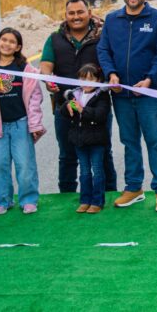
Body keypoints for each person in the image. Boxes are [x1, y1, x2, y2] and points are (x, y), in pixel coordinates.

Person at [97, 0, 157, 212]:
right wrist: (111, 73)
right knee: (129, 142)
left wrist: (150, 79)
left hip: (150, 95)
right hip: (121, 95)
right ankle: (133, 188)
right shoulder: (112, 20)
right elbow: (103, 50)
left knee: (154, 141)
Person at [40, 0, 116, 194]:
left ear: (89, 13)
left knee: (102, 153)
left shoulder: (103, 36)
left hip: (96, 109)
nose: (76, 17)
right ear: (65, 16)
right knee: (67, 154)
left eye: (80, 12)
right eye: (71, 13)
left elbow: (111, 62)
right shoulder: (54, 39)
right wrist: (47, 79)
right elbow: (46, 64)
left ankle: (109, 192)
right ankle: (66, 195)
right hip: (65, 108)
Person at [0, 28, 45, 215]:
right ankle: (2, 201)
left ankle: (29, 199)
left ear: (18, 47)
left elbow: (35, 98)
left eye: (12, 42)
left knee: (25, 164)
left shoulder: (25, 69)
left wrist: (35, 124)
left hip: (21, 123)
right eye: (4, 40)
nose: (7, 44)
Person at [63, 64, 111, 214]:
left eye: (91, 79)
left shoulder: (102, 95)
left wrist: (83, 110)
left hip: (96, 140)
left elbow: (101, 115)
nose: (87, 83)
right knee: (84, 171)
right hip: (79, 140)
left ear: (98, 80)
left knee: (97, 170)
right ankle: (85, 200)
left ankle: (97, 201)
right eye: (83, 79)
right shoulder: (74, 94)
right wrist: (67, 106)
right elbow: (64, 112)